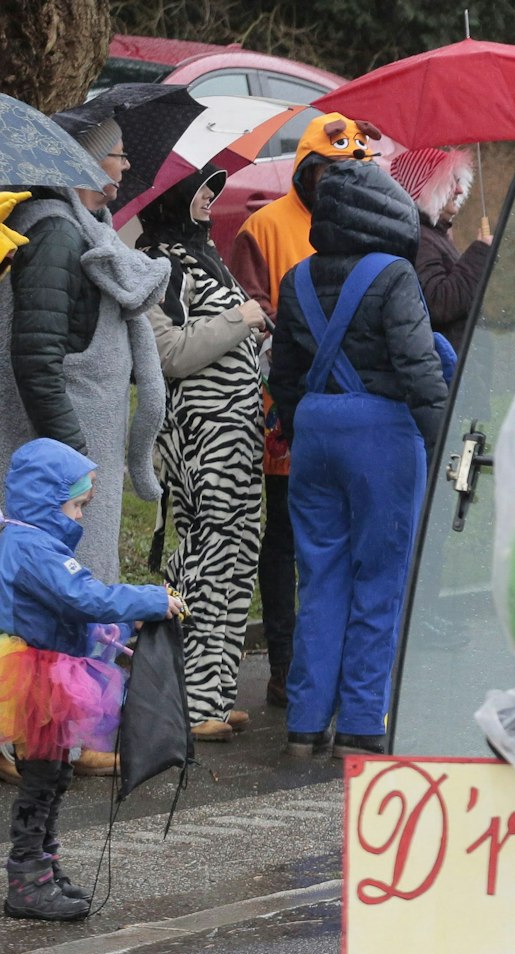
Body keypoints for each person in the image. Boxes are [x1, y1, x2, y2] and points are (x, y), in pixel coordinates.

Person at [0, 119, 169, 785]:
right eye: (116, 155)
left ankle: (69, 731)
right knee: (57, 593)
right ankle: (52, 735)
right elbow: (36, 356)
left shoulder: (76, 230)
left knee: (69, 587)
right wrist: (72, 455)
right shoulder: (55, 233)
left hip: (68, 454)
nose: (124, 167)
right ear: (81, 162)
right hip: (58, 457)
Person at [268, 159, 447, 758]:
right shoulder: (394, 275)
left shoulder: (296, 278)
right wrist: (442, 443)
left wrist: (302, 425)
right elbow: (419, 368)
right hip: (382, 435)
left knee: (319, 577)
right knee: (380, 578)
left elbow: (284, 376)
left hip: (315, 431)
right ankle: (363, 722)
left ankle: (305, 722)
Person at [225, 113, 380, 708]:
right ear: (309, 170)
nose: (344, 182)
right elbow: (249, 309)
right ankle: (286, 665)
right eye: (333, 171)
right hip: (286, 411)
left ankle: (338, 661)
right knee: (286, 537)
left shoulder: (371, 226)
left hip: (355, 407)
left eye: (354, 171)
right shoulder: (264, 227)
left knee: (347, 537)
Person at [0, 439, 183, 920]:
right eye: (76, 505)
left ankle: (44, 865)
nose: (80, 517)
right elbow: (86, 598)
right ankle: (26, 879)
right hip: (37, 676)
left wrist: (124, 625)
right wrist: (149, 600)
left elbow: (75, 613)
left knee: (54, 774)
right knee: (42, 777)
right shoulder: (34, 546)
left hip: (51, 670)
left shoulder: (30, 541)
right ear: (46, 500)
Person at [138, 166, 268, 743]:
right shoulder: (157, 264)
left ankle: (215, 692)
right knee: (205, 554)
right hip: (200, 434)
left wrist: (250, 335)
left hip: (238, 431)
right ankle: (186, 700)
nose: (211, 196)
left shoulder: (204, 256)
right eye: (200, 189)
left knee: (238, 554)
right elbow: (167, 353)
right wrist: (240, 319)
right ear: (171, 199)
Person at [386, 146, 491, 355]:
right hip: (443, 364)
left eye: (459, 182)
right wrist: (480, 253)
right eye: (451, 182)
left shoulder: (433, 234)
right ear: (427, 188)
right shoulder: (420, 239)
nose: (459, 190)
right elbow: (439, 303)